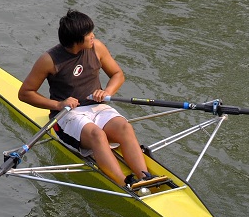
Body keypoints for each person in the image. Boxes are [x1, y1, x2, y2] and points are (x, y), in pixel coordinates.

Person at [18, 10, 153, 190]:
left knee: (124, 127)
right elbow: (25, 93)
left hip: (97, 108)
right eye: (88, 34)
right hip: (66, 116)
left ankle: (145, 177)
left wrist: (107, 91)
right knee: (98, 135)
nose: (93, 36)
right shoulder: (49, 60)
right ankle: (125, 184)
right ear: (76, 41)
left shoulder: (97, 48)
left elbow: (117, 74)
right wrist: (59, 104)